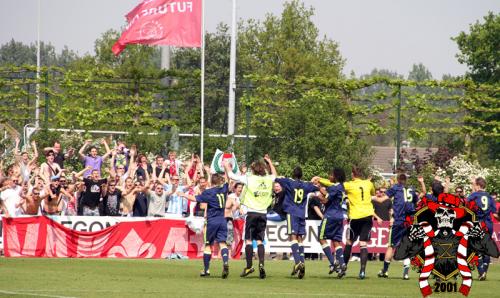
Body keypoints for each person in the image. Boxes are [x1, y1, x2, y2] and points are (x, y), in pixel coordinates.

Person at [224, 155, 276, 279]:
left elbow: (231, 176)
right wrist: (269, 162)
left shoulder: (249, 178)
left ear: (253, 170)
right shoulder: (268, 179)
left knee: (248, 240)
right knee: (259, 240)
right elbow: (274, 174)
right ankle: (262, 264)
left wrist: (226, 165)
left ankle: (249, 266)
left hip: (251, 212)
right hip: (263, 213)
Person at [180, 174, 231, 278]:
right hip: (222, 220)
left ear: (210, 182)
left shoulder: (208, 192)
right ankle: (225, 262)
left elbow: (195, 198)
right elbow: (229, 180)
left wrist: (183, 194)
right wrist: (226, 168)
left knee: (208, 245)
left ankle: (206, 270)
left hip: (212, 221)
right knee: (222, 243)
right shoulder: (223, 190)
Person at [276, 166, 318, 279]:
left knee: (292, 237)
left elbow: (275, 177)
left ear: (293, 174)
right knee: (300, 239)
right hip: (301, 214)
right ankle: (302, 263)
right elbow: (317, 188)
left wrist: (270, 162)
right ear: (301, 175)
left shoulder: (289, 182)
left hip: (292, 212)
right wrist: (313, 181)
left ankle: (298, 262)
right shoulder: (306, 185)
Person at [377, 173, 418, 280]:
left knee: (391, 246)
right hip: (409, 222)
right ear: (406, 180)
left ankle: (385, 271)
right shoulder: (411, 190)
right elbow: (415, 202)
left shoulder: (395, 188)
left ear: (398, 180)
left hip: (398, 221)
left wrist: (369, 198)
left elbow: (382, 199)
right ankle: (405, 273)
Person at [342, 166, 376, 280]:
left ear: (352, 174)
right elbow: (373, 192)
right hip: (367, 216)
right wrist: (368, 182)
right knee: (363, 244)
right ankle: (362, 271)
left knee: (349, 242)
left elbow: (335, 186)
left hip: (355, 217)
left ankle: (344, 268)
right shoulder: (368, 183)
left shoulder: (349, 184)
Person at [315, 168, 348, 278]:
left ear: (335, 176)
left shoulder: (334, 187)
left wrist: (319, 195)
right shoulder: (342, 187)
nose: (329, 176)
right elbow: (331, 197)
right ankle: (342, 263)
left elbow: (326, 200)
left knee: (321, 237)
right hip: (340, 216)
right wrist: (322, 190)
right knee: (336, 241)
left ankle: (333, 262)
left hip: (330, 216)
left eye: (331, 174)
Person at [467, 177, 496, 281]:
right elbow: (495, 213)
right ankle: (484, 272)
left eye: (474, 185)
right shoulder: (490, 197)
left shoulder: (474, 195)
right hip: (489, 224)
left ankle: (481, 272)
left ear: (478, 186)